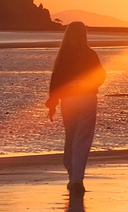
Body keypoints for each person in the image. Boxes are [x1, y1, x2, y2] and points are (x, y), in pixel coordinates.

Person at [45, 22, 106, 193]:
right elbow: (101, 76)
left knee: (71, 137)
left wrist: (52, 103)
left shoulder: (64, 55)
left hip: (69, 99)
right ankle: (76, 179)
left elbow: (56, 80)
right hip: (87, 98)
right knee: (83, 140)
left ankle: (73, 176)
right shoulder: (90, 54)